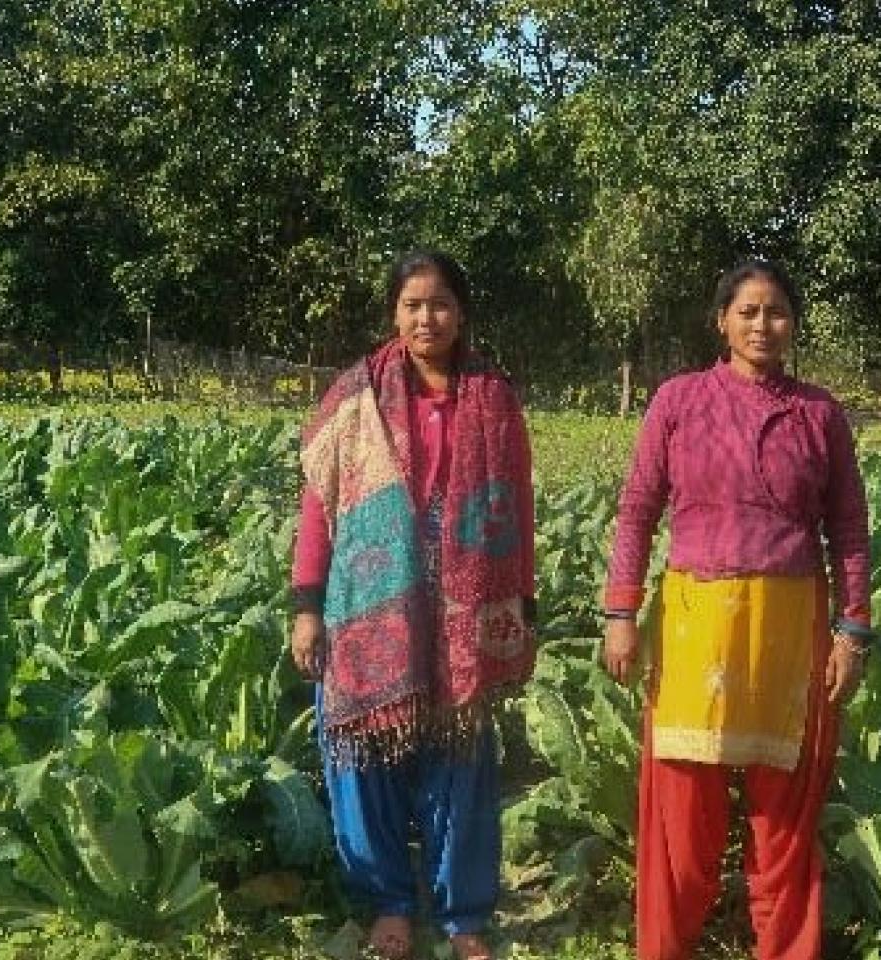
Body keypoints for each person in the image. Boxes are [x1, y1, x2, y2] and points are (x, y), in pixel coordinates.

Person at [600, 258, 874, 960]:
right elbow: (636, 513)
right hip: (696, 628)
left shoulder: (818, 414)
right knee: (681, 824)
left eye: (776, 311)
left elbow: (847, 528)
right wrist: (621, 612)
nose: (762, 324)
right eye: (747, 311)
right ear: (721, 320)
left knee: (783, 825)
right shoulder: (679, 400)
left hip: (793, 630)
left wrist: (853, 630)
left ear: (794, 323)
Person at [289, 250, 537, 960]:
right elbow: (320, 506)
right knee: (362, 755)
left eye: (440, 305)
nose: (426, 318)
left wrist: (522, 601)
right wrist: (307, 605)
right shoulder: (355, 395)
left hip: (466, 604)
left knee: (461, 762)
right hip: (368, 604)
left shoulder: (494, 397)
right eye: (412, 305)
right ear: (394, 313)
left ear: (461, 313)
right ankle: (389, 906)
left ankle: (464, 916)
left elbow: (515, 508)